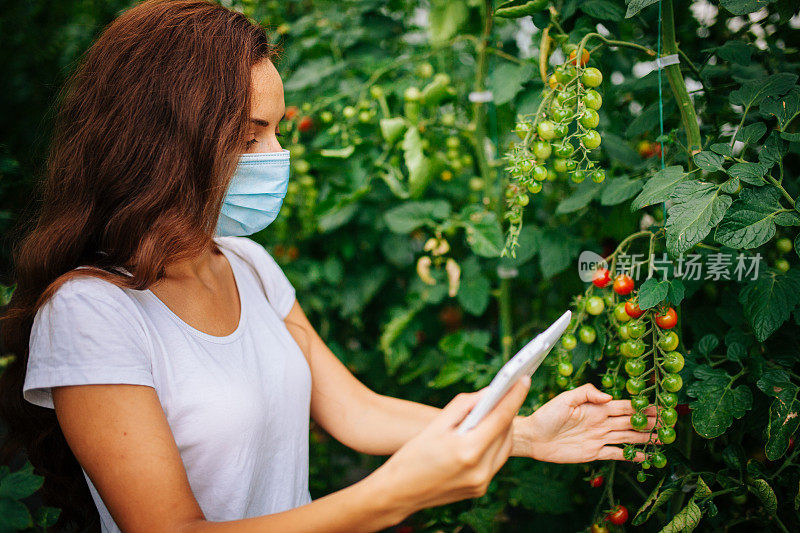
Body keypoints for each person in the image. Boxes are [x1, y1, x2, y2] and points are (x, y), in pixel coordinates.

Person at [0, 1, 655, 531]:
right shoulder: (89, 312)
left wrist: (524, 431)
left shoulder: (249, 267)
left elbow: (356, 410)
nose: (276, 155)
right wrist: (391, 495)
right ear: (166, 141)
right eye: (250, 135)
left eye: (279, 131)